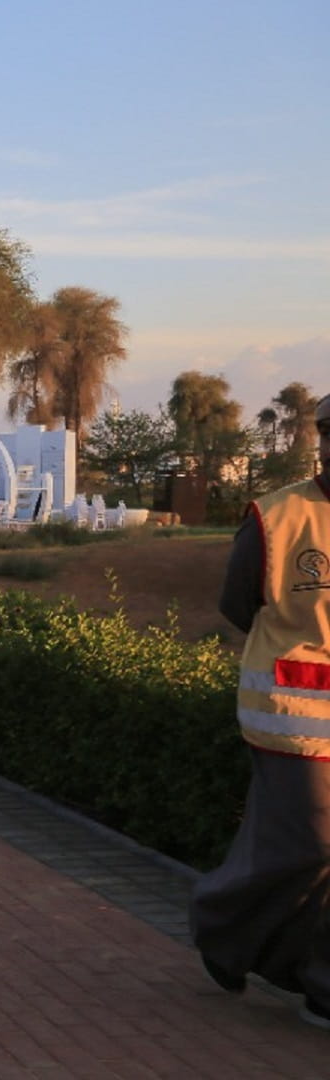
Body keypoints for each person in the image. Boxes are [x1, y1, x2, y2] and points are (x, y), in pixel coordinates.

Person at [191, 395, 330, 1028]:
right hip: (295, 716)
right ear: (323, 441)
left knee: (297, 848)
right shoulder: (279, 516)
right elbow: (238, 604)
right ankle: (226, 928)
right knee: (308, 844)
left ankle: (271, 954)